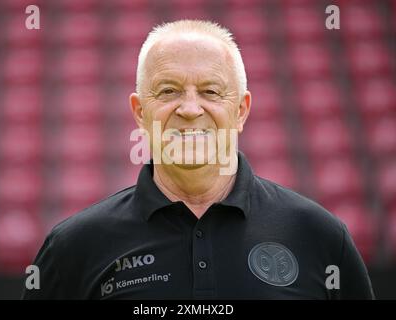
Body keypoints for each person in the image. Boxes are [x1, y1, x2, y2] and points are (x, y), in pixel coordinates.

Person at [22, 20, 374, 299]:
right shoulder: (74, 247)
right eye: (169, 90)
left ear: (241, 110)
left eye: (210, 91)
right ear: (140, 112)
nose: (190, 109)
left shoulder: (321, 237)